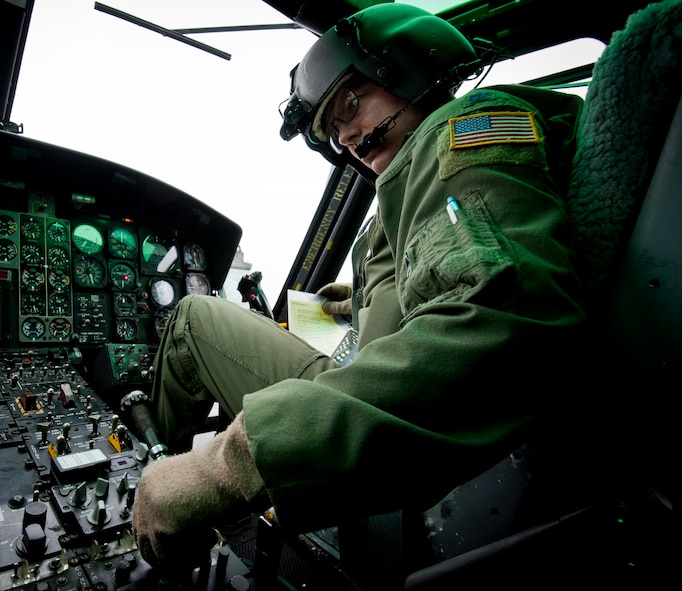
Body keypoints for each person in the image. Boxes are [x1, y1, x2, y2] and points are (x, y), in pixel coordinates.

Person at [131, 2, 590, 577]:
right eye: (333, 133)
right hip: (375, 381)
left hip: (387, 431)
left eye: (349, 106)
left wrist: (224, 468)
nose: (347, 137)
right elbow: (467, 257)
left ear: (405, 70)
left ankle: (154, 489)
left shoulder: (462, 131)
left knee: (194, 318)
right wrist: (361, 297)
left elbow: (502, 323)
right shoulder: (417, 176)